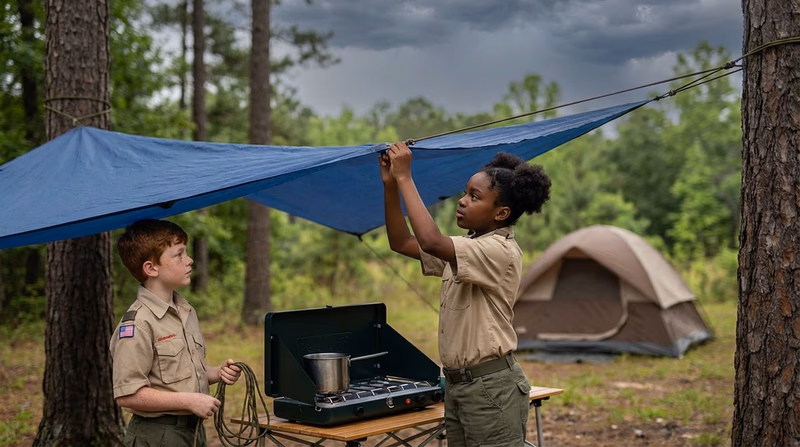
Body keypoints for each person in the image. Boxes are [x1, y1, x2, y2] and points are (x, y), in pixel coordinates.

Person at [380, 141, 551, 446]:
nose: (462, 201)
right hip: (459, 385)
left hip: (490, 387)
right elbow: (401, 241)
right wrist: (391, 185)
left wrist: (406, 177)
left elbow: (431, 240)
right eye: (465, 192)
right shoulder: (467, 247)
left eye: (474, 197)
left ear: (502, 213)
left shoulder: (499, 251)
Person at [109, 219, 242, 447]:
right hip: (157, 435)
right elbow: (127, 395)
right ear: (151, 268)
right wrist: (188, 401)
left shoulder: (185, 310)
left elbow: (183, 374)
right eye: (179, 254)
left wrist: (218, 373)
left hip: (191, 432)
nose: (189, 260)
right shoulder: (137, 324)